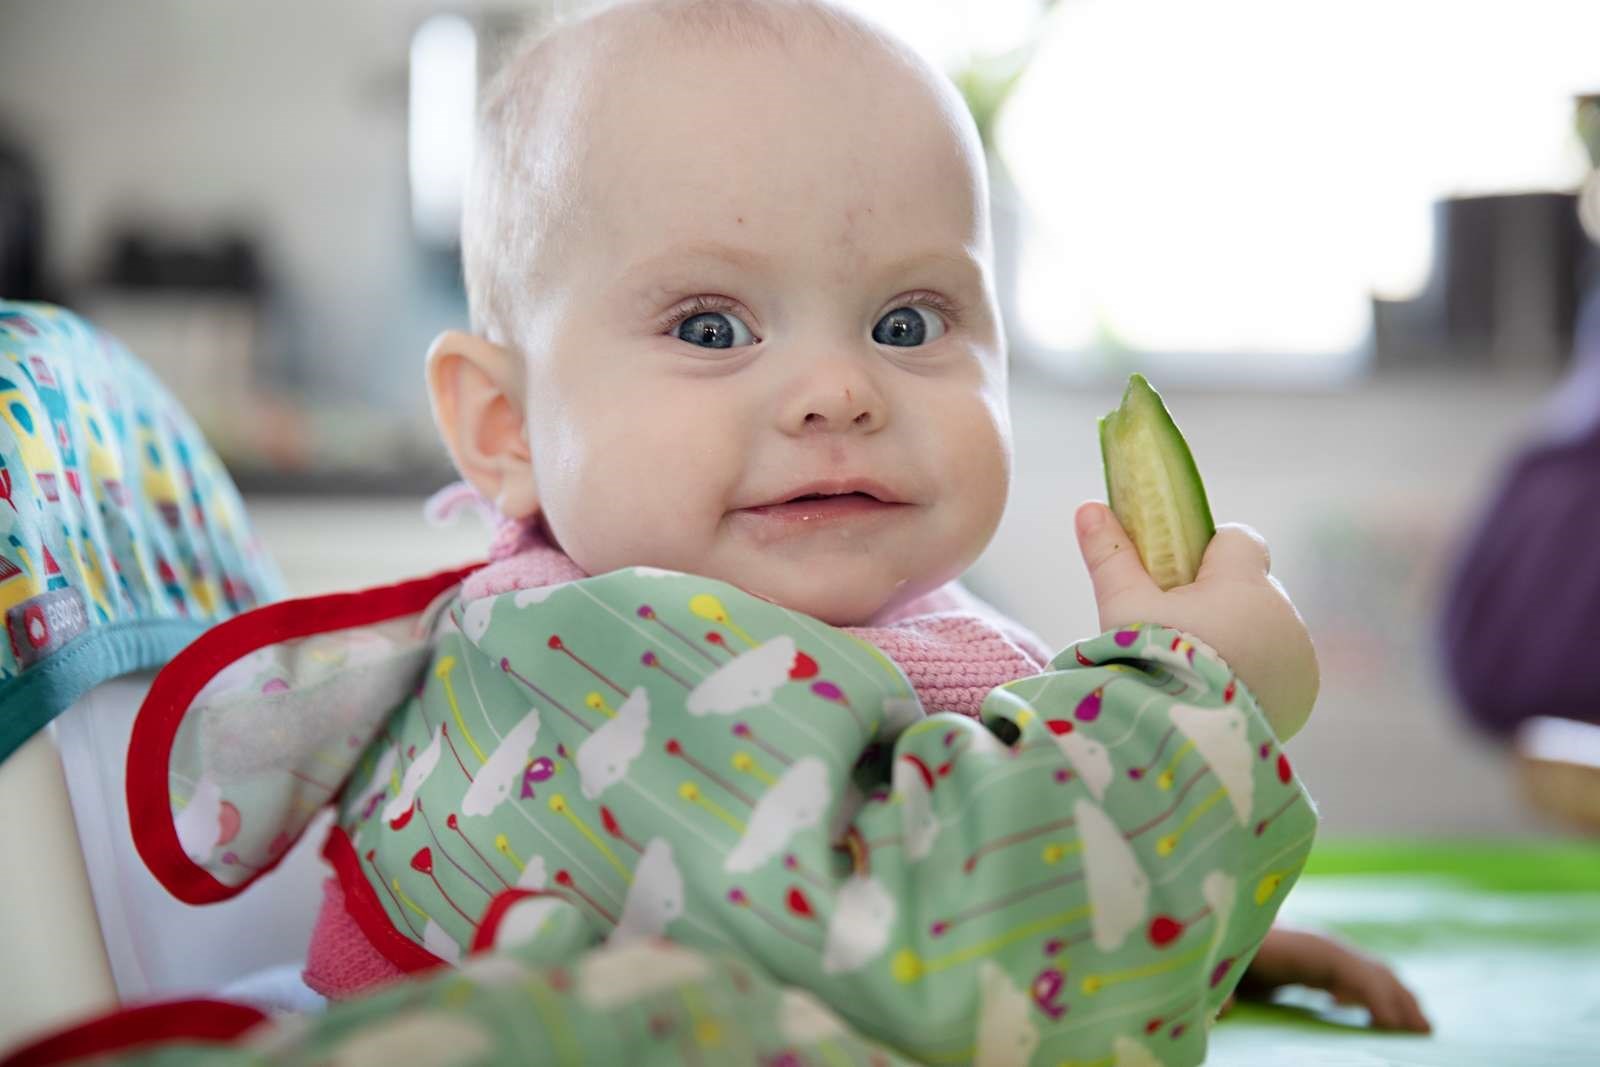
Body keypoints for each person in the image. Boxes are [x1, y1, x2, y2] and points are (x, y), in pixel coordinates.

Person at [68, 2, 1413, 1064]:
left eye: (908, 323)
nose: (842, 389)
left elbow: (934, 874)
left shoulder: (859, 622)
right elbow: (933, 982)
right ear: (506, 428)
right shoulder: (582, 667)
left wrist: (1176, 913)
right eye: (711, 327)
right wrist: (1196, 714)